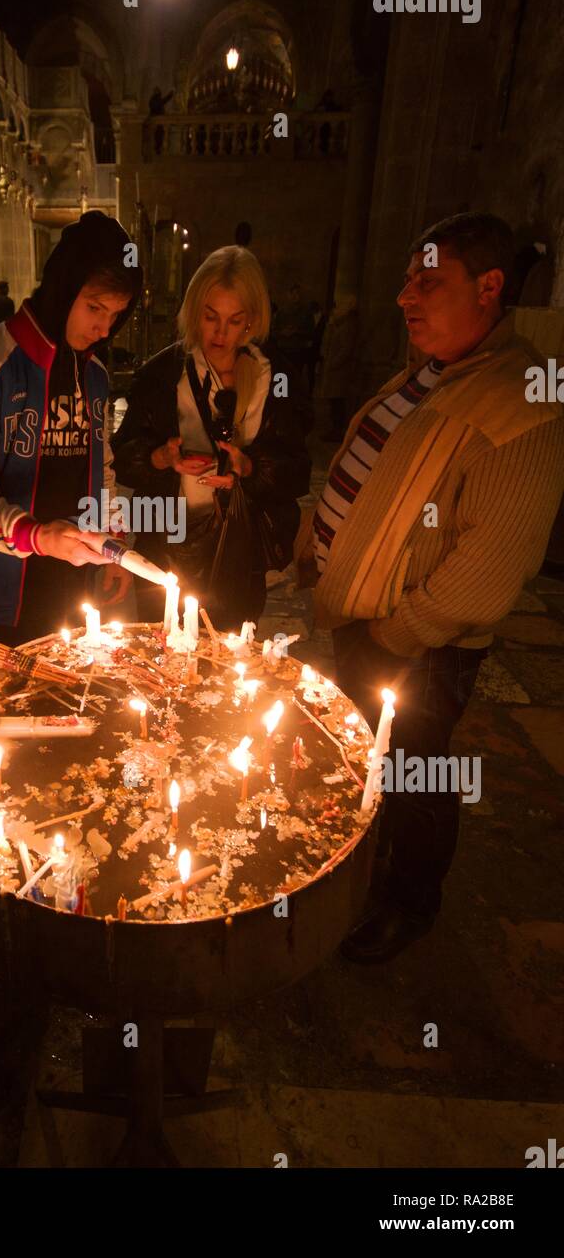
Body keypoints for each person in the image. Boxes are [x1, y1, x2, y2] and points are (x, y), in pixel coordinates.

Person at [295, 212, 564, 964]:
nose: (405, 295)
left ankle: (410, 903)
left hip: (416, 644)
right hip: (368, 625)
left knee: (417, 772)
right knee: (373, 761)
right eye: (408, 278)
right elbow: (374, 471)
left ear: (488, 287)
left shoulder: (522, 402)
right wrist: (313, 546)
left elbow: (490, 564)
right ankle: (366, 866)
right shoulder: (435, 369)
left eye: (429, 281)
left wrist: (395, 636)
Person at [0, 211, 143, 643]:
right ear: (63, 287)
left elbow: (101, 470)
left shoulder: (95, 377)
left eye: (117, 314)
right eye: (94, 308)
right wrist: (35, 535)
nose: (104, 328)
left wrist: (116, 550)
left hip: (70, 593)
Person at [111, 245, 312, 630]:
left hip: (236, 551)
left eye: (235, 321)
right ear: (193, 313)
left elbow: (296, 470)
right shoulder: (163, 374)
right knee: (164, 660)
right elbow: (122, 458)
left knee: (225, 667)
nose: (220, 333)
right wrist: (162, 458)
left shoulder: (278, 379)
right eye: (210, 317)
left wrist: (248, 467)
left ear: (252, 320)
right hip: (167, 545)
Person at [315, 294, 359, 439]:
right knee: (334, 401)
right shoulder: (340, 325)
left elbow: (345, 350)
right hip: (335, 371)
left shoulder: (348, 326)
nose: (336, 310)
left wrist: (332, 364)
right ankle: (335, 428)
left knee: (337, 402)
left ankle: (338, 430)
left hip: (339, 372)